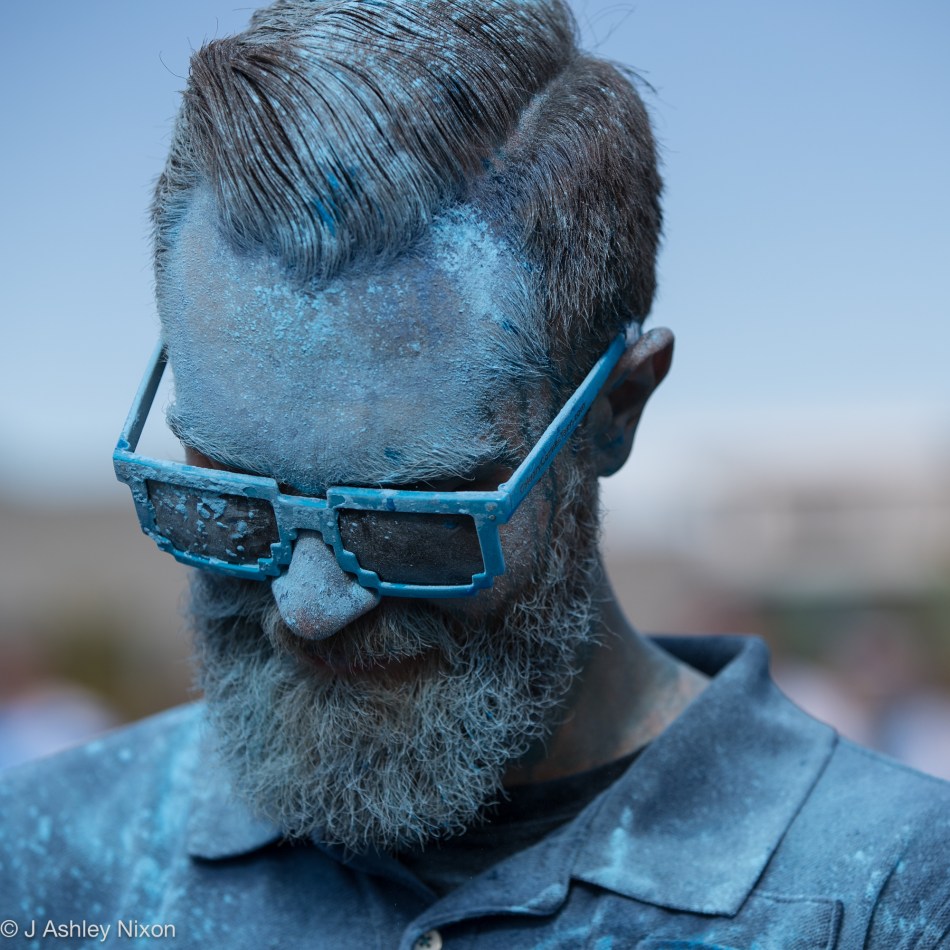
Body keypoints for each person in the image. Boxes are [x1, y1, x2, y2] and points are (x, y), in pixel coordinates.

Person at [2, 0, 948, 946]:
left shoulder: (891, 901)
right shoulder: (43, 867)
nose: (308, 606)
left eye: (411, 518)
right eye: (227, 501)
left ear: (615, 411)